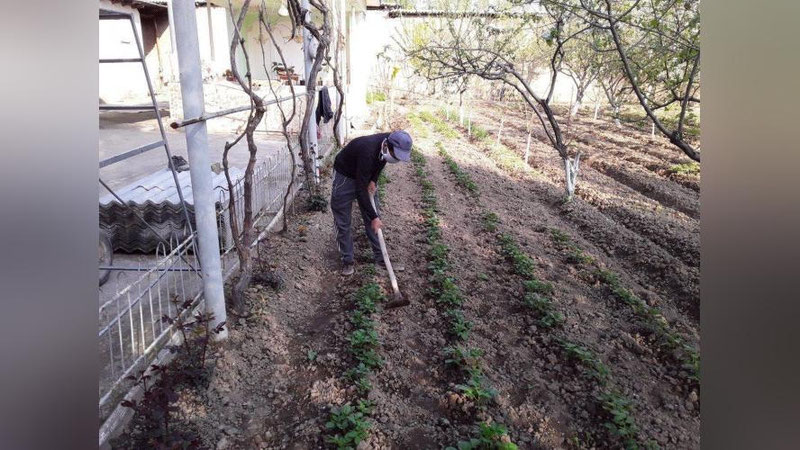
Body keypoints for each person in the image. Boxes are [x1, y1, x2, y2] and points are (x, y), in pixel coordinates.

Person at [330, 130, 413, 275]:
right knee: (343, 221)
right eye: (395, 156)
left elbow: (381, 161)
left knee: (374, 219)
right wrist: (374, 218)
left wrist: (374, 179)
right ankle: (347, 261)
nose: (396, 159)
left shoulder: (387, 143)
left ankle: (381, 259)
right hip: (345, 175)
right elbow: (360, 189)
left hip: (364, 173)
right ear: (388, 146)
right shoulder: (367, 150)